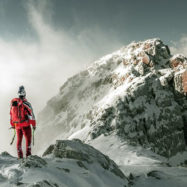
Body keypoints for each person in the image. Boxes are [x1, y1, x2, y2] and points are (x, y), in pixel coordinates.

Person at [10, 86, 36, 159]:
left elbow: (11, 115)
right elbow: (31, 115)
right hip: (25, 125)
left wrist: (13, 125)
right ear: (24, 94)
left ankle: (20, 156)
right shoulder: (26, 104)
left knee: (19, 140)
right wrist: (33, 125)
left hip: (17, 125)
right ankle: (28, 155)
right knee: (28, 139)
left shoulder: (13, 104)